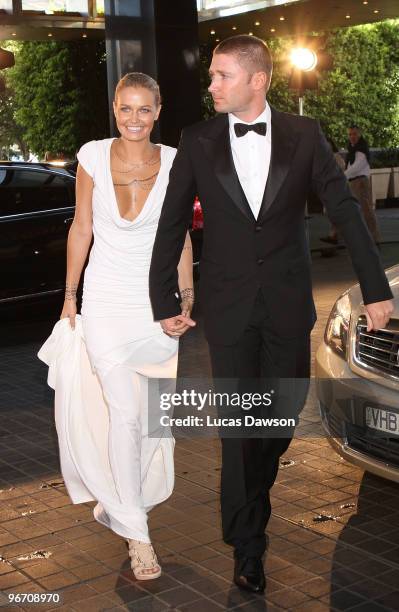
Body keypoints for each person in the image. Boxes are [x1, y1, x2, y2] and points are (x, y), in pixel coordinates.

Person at [149, 35, 394, 593]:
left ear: (257, 80)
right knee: (239, 428)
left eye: (221, 76)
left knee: (279, 419)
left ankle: (250, 498)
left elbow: (346, 213)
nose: (210, 85)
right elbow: (171, 225)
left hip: (286, 305)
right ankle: (247, 544)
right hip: (229, 308)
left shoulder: (304, 136)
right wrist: (165, 300)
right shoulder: (198, 140)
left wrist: (377, 291)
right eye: (211, 75)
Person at [46, 72, 194, 581]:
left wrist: (185, 299)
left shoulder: (176, 163)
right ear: (115, 108)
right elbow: (82, 227)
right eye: (125, 109)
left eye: (144, 110)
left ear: (158, 111)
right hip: (106, 303)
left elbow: (181, 240)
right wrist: (70, 299)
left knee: (153, 421)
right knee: (127, 413)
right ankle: (139, 537)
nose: (134, 119)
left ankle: (122, 502)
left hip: (154, 306)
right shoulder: (91, 156)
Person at [345, 125, 379, 243]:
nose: (352, 137)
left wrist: (343, 175)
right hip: (354, 182)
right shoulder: (353, 148)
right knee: (357, 211)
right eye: (350, 134)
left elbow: (356, 166)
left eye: (354, 134)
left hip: (360, 182)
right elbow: (351, 166)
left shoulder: (361, 149)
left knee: (366, 210)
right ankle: (364, 237)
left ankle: (374, 238)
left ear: (359, 134)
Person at [320, 137, 346, 244]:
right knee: (329, 211)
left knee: (333, 211)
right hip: (327, 187)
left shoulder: (336, 157)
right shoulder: (324, 158)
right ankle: (334, 234)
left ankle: (335, 234)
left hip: (336, 187)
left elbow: (341, 169)